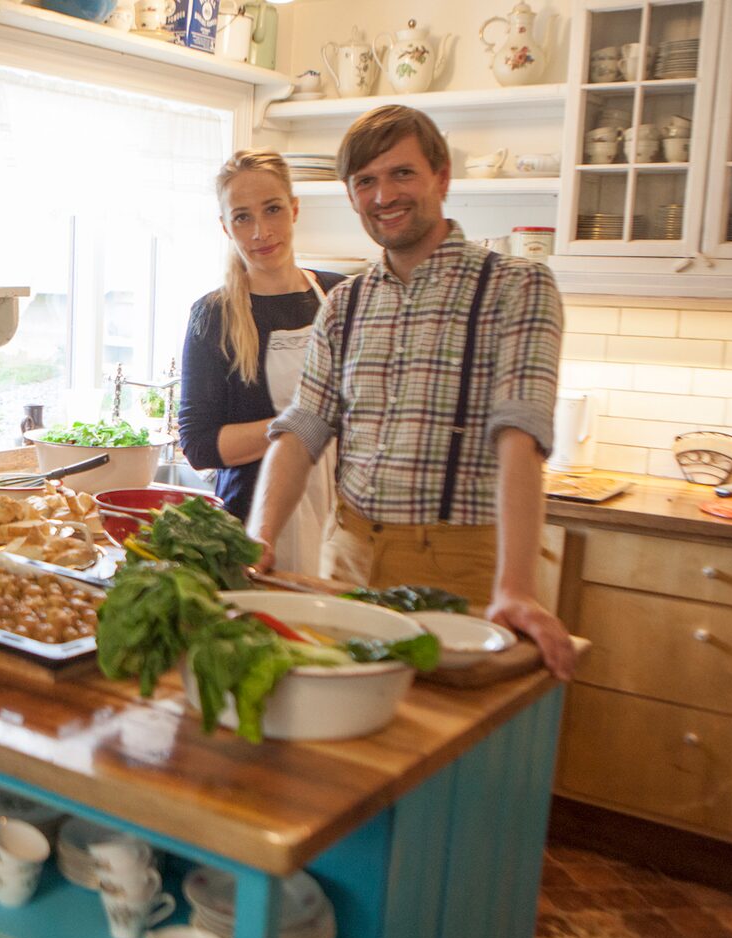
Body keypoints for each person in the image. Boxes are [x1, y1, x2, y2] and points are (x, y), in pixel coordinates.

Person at [246, 106, 576, 679]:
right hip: (345, 554)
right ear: (351, 197)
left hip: (459, 563)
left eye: (402, 174)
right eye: (366, 181)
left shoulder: (517, 286)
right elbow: (302, 427)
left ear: (441, 177)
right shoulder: (344, 304)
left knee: (439, 741)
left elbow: (520, 437)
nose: (384, 196)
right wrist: (259, 537)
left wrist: (515, 587)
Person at [177, 149, 345, 574]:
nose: (261, 232)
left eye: (272, 210)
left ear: (294, 209)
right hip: (251, 531)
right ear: (225, 227)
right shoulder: (214, 315)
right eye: (242, 217)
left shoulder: (342, 298)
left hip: (345, 524)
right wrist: (305, 423)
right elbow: (198, 445)